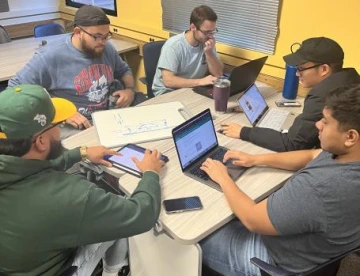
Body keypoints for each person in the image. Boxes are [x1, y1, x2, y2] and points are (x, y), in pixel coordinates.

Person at [0, 85, 165, 276]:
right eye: (57, 125)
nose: (60, 131)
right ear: (41, 141)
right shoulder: (72, 196)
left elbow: (32, 167)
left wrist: (81, 153)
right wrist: (150, 173)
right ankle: (115, 270)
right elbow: (141, 215)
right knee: (114, 205)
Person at [199, 85, 360, 275]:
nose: (318, 125)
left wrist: (223, 178)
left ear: (350, 136)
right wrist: (256, 159)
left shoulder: (321, 187)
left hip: (274, 260)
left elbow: (252, 219)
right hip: (315, 251)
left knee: (195, 239)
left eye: (326, 122)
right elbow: (311, 155)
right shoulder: (346, 154)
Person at [8, 5, 145, 139]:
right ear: (78, 32)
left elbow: (124, 71)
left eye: (106, 36)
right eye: (97, 36)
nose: (102, 42)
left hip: (104, 117)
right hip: (70, 125)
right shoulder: (50, 56)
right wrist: (60, 111)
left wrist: (129, 90)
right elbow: (15, 89)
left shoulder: (106, 48)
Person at [220, 37, 360, 152]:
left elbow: (292, 144)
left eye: (301, 69)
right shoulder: (350, 78)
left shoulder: (323, 96)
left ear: (324, 69)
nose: (297, 74)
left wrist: (244, 132)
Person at [152, 5, 224, 96]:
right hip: (167, 92)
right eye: (206, 32)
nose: (210, 36)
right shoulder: (173, 46)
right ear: (193, 27)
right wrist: (200, 82)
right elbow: (168, 81)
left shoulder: (207, 42)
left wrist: (209, 53)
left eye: (213, 31)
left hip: (192, 88)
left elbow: (218, 74)